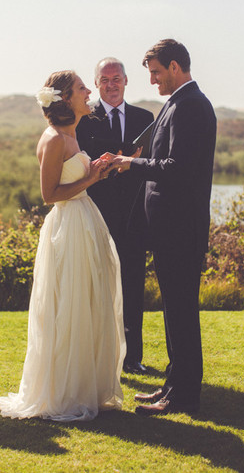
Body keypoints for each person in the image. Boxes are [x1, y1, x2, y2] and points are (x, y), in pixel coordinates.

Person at [0, 70, 126, 422]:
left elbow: (76, 179)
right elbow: (50, 195)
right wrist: (91, 176)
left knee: (89, 303)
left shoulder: (71, 134)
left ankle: (86, 386)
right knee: (70, 304)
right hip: (68, 227)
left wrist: (97, 168)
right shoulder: (53, 139)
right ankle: (64, 392)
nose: (89, 92)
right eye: (82, 88)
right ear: (66, 98)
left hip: (85, 221)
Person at [103, 39, 216, 416]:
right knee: (173, 311)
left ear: (174, 67)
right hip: (169, 230)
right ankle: (172, 385)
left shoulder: (192, 106)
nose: (152, 81)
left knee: (181, 312)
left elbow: (177, 169)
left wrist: (131, 164)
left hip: (181, 229)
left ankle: (183, 396)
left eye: (156, 73)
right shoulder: (177, 103)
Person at [76, 58, 154, 374]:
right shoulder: (83, 119)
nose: (111, 84)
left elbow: (149, 165)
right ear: (96, 83)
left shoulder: (145, 119)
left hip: (135, 216)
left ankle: (132, 357)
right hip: (96, 215)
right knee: (97, 287)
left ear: (126, 80)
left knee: (133, 286)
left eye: (116, 78)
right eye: (105, 79)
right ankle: (99, 357)